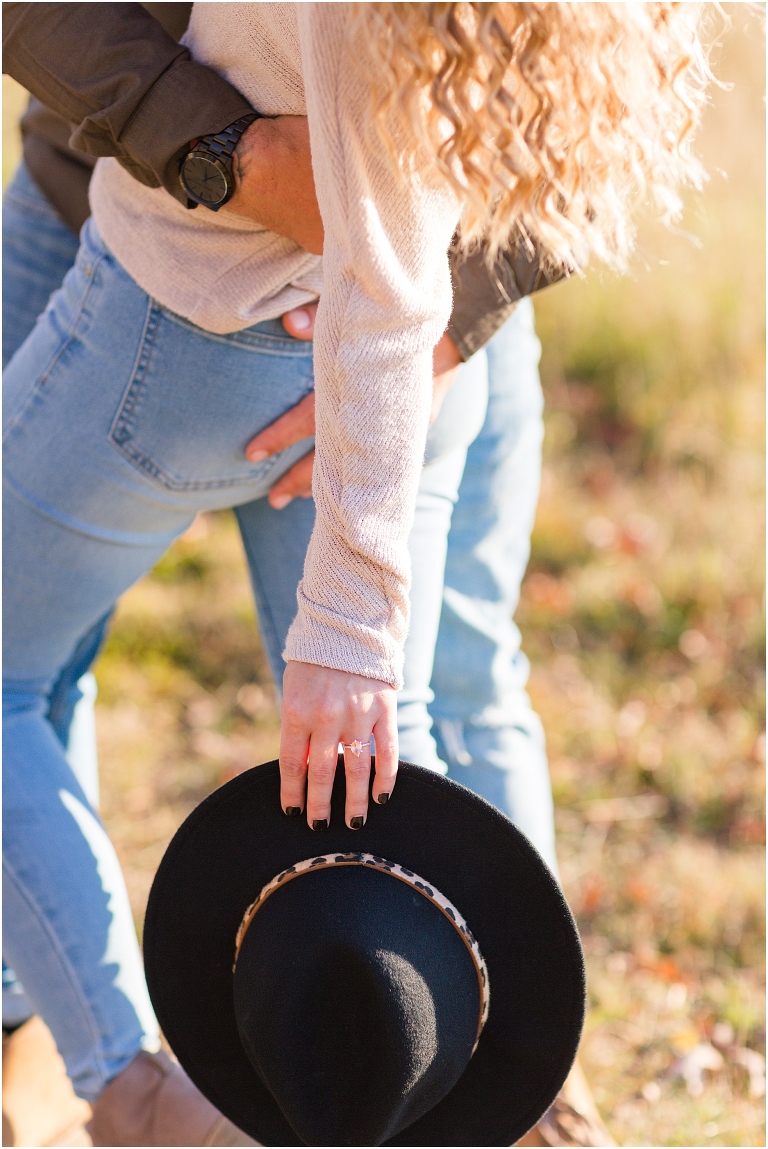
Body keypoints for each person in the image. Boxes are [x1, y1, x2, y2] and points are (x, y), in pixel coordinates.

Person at [3, 3, 710, 1144]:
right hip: (365, 339)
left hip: (205, 330)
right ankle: (439, 1102)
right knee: (395, 748)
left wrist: (345, 620)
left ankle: (142, 1099)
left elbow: (382, 283)